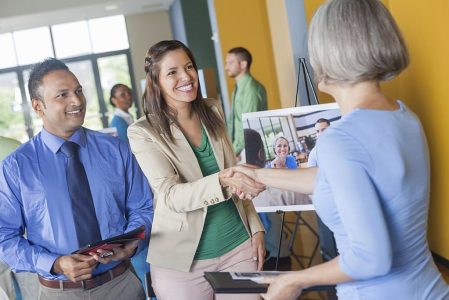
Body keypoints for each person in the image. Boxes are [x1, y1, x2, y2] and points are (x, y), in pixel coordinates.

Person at [234, 0, 449, 299]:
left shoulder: (341, 140)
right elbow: (339, 177)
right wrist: (259, 175)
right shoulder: (403, 116)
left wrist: (293, 281)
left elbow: (371, 257)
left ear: (328, 54)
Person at [0, 58, 154, 300]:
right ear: (38, 107)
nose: (77, 100)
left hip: (121, 284)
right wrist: (56, 263)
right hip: (59, 293)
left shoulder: (116, 150)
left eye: (78, 91)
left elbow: (142, 207)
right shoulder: (16, 167)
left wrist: (131, 243)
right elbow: (5, 238)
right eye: (63, 95)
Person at [128, 40, 265, 300]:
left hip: (238, 247)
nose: (186, 76)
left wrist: (256, 227)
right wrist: (222, 180)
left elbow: (234, 173)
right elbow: (170, 195)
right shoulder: (143, 132)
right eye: (172, 72)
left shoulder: (212, 110)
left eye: (189, 66)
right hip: (182, 264)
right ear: (156, 81)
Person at [109, 83, 150, 286]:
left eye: (129, 93)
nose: (127, 97)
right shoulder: (117, 122)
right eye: (122, 94)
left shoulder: (129, 117)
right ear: (113, 100)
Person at [225, 47, 267, 159]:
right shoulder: (238, 88)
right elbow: (234, 122)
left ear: (243, 64)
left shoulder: (252, 90)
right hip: (238, 150)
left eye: (230, 63)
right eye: (226, 63)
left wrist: (234, 152)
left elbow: (247, 126)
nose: (226, 67)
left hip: (247, 151)